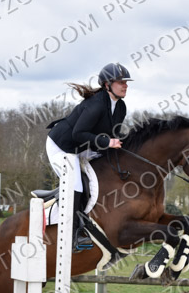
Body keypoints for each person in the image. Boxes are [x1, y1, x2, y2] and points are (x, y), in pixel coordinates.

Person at [46, 62, 131, 251]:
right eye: (121, 82)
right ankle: (74, 234)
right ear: (108, 85)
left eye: (126, 82)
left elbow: (111, 133)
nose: (125, 85)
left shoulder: (121, 107)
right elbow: (78, 133)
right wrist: (108, 142)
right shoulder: (96, 105)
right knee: (76, 184)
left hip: (84, 147)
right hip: (62, 147)